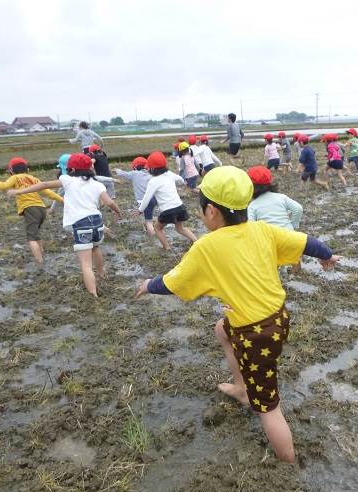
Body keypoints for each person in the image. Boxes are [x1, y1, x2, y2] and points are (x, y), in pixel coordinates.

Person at [134, 166, 340, 463]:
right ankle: (243, 388)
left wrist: (147, 285)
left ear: (212, 211)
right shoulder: (262, 229)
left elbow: (173, 281)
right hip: (278, 318)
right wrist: (327, 254)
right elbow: (305, 241)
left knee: (268, 407)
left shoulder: (207, 246)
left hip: (255, 334)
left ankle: (287, 463)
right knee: (221, 328)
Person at [6, 153, 122, 296]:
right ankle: (101, 273)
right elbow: (110, 202)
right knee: (96, 248)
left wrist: (18, 191)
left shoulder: (67, 180)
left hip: (81, 225)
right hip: (97, 222)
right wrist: (117, 211)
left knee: (86, 264)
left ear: (71, 170)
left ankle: (93, 294)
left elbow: (44, 185)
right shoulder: (97, 183)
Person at [0, 157, 63, 266]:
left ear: (11, 171)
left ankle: (40, 264)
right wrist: (63, 200)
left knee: (31, 238)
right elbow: (48, 192)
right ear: (27, 169)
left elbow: (3, 186)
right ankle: (42, 256)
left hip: (30, 209)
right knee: (36, 235)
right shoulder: (33, 178)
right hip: (41, 209)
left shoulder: (15, 178)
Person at [138, 151, 197, 250]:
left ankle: (167, 247)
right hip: (179, 207)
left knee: (157, 228)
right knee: (180, 228)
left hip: (168, 211)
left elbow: (146, 198)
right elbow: (180, 180)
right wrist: (181, 184)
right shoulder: (169, 174)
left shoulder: (153, 181)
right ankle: (196, 241)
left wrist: (140, 210)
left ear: (152, 168)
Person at [115, 156, 156, 237]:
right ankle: (148, 230)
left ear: (135, 167)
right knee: (149, 216)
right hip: (153, 199)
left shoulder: (134, 174)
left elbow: (122, 174)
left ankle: (153, 237)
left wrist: (117, 170)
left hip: (142, 201)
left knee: (147, 221)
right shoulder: (150, 174)